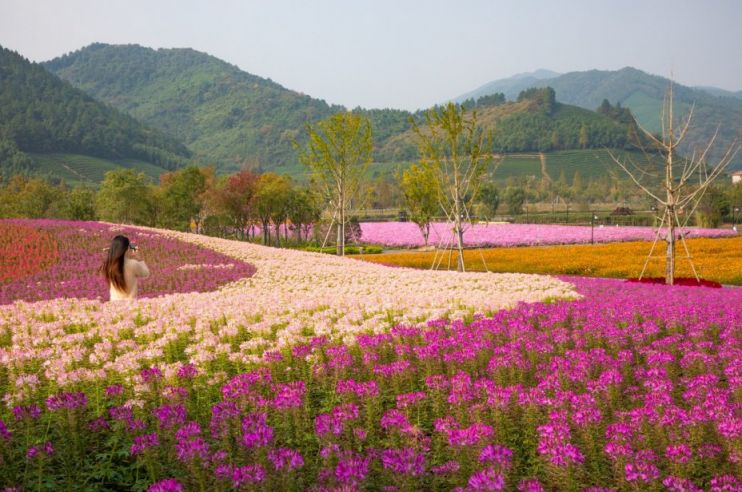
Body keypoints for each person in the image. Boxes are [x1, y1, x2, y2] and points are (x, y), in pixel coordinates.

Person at [101, 235, 150, 301]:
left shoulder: (108, 265)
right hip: (130, 304)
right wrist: (139, 259)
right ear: (127, 249)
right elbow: (146, 273)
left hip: (113, 304)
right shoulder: (133, 264)